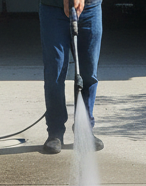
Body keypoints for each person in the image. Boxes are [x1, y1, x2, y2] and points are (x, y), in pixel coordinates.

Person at [38, 0, 103, 154]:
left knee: (88, 73)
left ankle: (84, 129)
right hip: (53, 8)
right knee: (55, 73)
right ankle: (55, 132)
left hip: (90, 8)